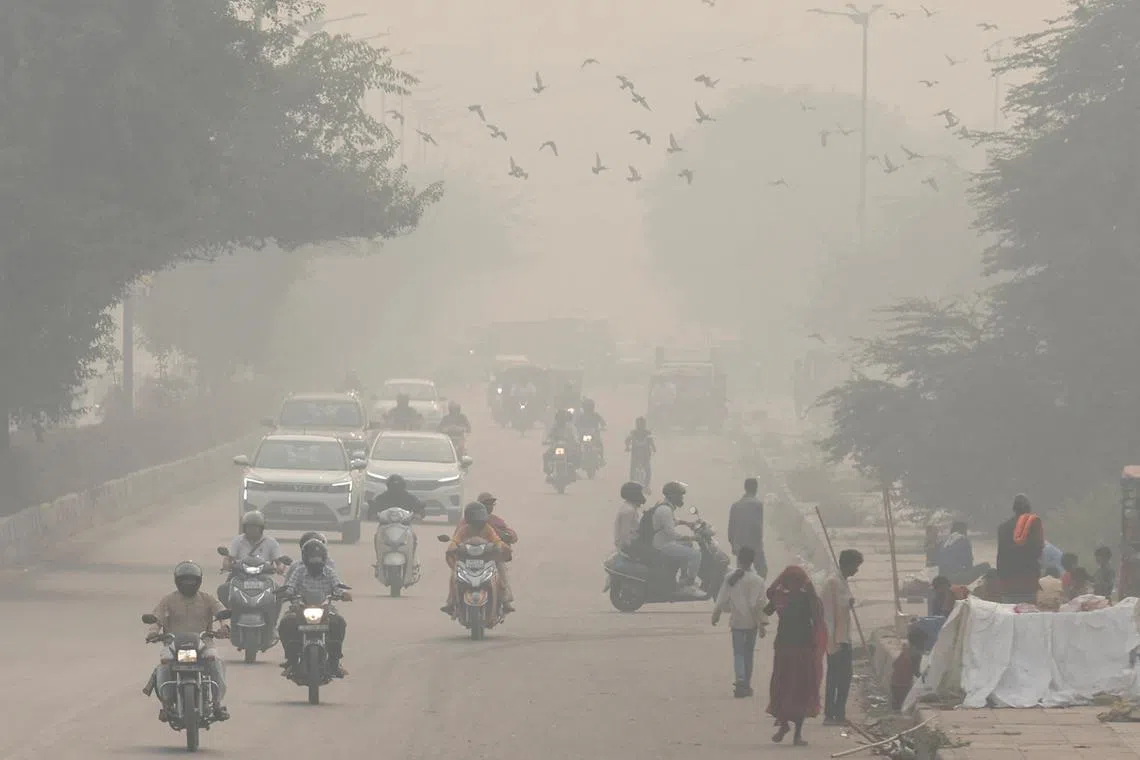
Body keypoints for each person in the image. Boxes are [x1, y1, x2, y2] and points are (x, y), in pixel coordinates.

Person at [145, 561, 230, 721]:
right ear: (178, 581)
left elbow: (221, 612)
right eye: (185, 581)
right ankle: (166, 704)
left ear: (198, 581)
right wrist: (153, 632)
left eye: (192, 581)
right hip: (173, 644)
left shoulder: (207, 599)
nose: (188, 584)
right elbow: (156, 619)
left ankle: (217, 704)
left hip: (203, 643)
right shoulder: (168, 600)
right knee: (164, 664)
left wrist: (224, 627)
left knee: (216, 662)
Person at [764, 565, 827, 746]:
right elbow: (768, 606)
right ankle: (783, 725)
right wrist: (778, 584)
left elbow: (818, 616)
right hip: (784, 649)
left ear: (800, 583)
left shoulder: (809, 598)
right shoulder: (780, 597)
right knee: (782, 687)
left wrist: (810, 588)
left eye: (795, 581)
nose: (792, 584)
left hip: (803, 650)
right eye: (788, 581)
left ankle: (797, 734)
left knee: (801, 690)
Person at [278, 539, 350, 677]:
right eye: (312, 559)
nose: (315, 563)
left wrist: (343, 594)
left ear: (324, 558)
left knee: (339, 622)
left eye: (318, 559)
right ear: (305, 558)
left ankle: (335, 661)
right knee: (286, 623)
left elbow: (337, 586)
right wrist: (287, 593)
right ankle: (291, 660)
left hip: (325, 608)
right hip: (300, 607)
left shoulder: (329, 572)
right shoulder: (299, 571)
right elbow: (291, 586)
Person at [712, 546, 769, 698]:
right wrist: (762, 624)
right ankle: (746, 684)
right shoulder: (758, 580)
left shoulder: (731, 577)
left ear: (738, 559)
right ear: (752, 561)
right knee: (748, 653)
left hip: (736, 622)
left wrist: (716, 614)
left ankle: (740, 680)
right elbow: (760, 604)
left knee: (738, 653)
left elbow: (721, 598)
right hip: (752, 623)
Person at [442, 502, 509, 615]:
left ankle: (505, 599)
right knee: (454, 576)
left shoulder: (488, 528)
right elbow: (455, 541)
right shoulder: (464, 529)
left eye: (480, 514)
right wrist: (452, 548)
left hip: (486, 560)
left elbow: (497, 540)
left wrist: (500, 547)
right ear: (468, 516)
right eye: (475, 515)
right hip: (466, 560)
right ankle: (451, 602)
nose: (478, 518)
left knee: (500, 571)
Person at [821, 548, 864, 725]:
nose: (857, 570)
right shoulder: (831, 583)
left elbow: (843, 606)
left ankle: (839, 713)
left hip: (845, 638)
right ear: (846, 564)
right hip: (836, 640)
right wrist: (831, 642)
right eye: (855, 566)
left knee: (845, 678)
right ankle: (830, 715)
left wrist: (849, 603)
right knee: (834, 679)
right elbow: (828, 616)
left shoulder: (843, 582)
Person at [217, 510, 284, 602]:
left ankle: (272, 614)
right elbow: (229, 557)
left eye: (255, 527)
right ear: (244, 528)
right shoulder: (238, 541)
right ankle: (231, 610)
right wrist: (226, 564)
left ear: (261, 528)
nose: (252, 529)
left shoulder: (271, 542)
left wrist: (280, 568)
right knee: (223, 589)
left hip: (264, 577)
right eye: (249, 527)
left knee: (278, 593)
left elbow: (279, 562)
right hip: (240, 576)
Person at [648, 481, 702, 595]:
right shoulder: (665, 510)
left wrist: (687, 523)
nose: (681, 498)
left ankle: (683, 578)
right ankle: (689, 584)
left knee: (688, 546)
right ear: (672, 496)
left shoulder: (666, 507)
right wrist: (692, 537)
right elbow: (671, 533)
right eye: (680, 495)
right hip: (663, 545)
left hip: (664, 542)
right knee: (696, 555)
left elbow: (672, 522)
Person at [469, 492, 517, 613]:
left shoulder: (496, 521)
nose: (489, 507)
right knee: (456, 573)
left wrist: (506, 537)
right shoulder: (467, 521)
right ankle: (452, 601)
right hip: (470, 557)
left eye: (491, 504)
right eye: (486, 504)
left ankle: (505, 600)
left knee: (501, 568)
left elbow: (512, 535)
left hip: (491, 558)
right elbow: (457, 537)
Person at [995, 493, 1044, 604]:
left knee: (1010, 614)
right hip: (1028, 581)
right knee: (1029, 617)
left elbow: (1000, 556)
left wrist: (1001, 579)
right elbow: (1038, 551)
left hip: (1008, 583)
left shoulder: (1002, 528)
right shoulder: (1034, 525)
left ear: (1014, 509)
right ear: (1029, 509)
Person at [727, 478, 768, 579]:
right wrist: (759, 545)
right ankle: (757, 592)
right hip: (754, 546)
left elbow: (731, 528)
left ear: (745, 488)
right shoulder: (757, 505)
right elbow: (758, 527)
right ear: (756, 489)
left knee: (741, 573)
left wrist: (733, 544)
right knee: (762, 571)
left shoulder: (735, 506)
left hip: (740, 546)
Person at [937, 521, 990, 585]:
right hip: (956, 578)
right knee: (986, 565)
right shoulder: (963, 540)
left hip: (942, 578)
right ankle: (984, 588)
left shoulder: (944, 541)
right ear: (963, 530)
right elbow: (969, 564)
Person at [890, 627, 928, 711]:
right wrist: (926, 676)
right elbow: (917, 673)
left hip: (894, 684)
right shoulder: (916, 655)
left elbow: (894, 664)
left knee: (897, 706)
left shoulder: (905, 649)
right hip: (904, 687)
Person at [543, 408, 580, 474]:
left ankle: (574, 471)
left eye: (562, 418)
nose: (561, 420)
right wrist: (547, 441)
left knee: (575, 455)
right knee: (546, 455)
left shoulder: (569, 427)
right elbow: (549, 435)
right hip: (555, 447)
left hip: (567, 447)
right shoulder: (555, 427)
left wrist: (576, 442)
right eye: (559, 418)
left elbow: (574, 436)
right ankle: (548, 470)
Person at [614, 481, 646, 554]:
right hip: (628, 546)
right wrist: (632, 549)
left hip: (632, 542)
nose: (642, 495)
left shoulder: (629, 507)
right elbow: (625, 534)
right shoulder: (629, 511)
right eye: (640, 493)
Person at [574, 398, 607, 464]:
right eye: (587, 407)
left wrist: (602, 427)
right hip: (583, 434)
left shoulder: (595, 415)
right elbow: (576, 423)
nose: (588, 408)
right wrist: (578, 428)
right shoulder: (581, 416)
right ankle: (577, 460)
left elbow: (602, 422)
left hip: (594, 434)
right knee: (577, 446)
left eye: (589, 407)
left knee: (600, 444)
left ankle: (601, 458)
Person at [624, 416, 656, 485]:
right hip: (635, 453)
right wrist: (627, 446)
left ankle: (647, 486)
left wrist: (653, 448)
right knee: (632, 469)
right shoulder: (633, 432)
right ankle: (631, 484)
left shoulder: (647, 433)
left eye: (641, 424)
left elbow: (651, 441)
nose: (640, 425)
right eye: (639, 424)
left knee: (647, 470)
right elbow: (628, 439)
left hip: (646, 454)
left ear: (644, 424)